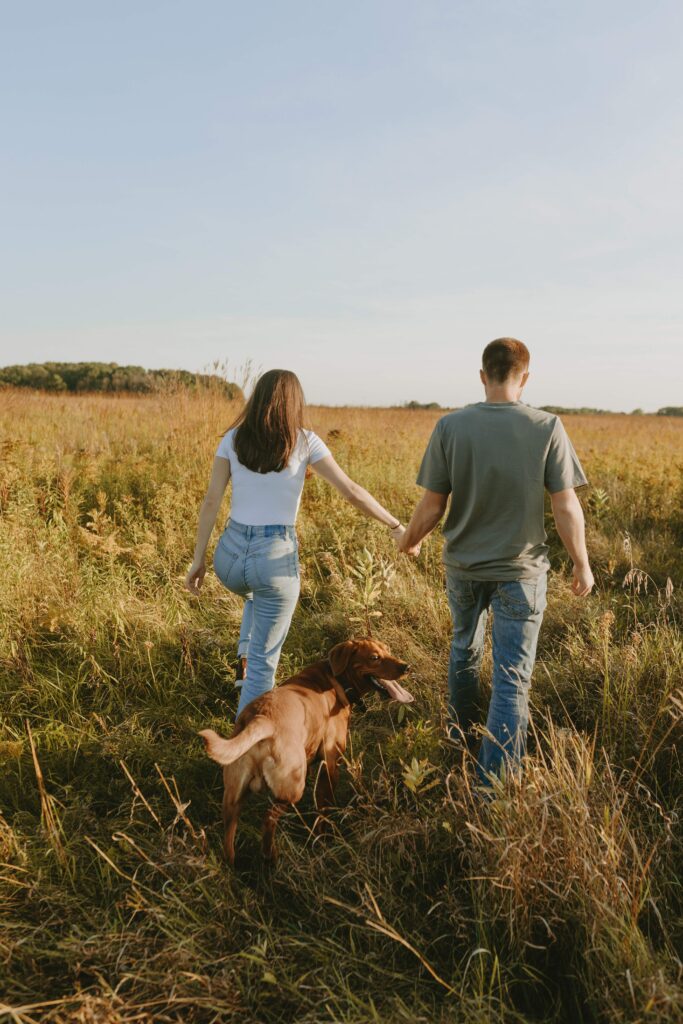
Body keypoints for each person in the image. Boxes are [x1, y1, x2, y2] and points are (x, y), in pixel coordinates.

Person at [397, 338, 593, 784]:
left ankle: (460, 744)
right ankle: (493, 791)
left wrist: (409, 540)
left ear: (483, 375)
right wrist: (582, 564)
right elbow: (565, 506)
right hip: (520, 574)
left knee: (464, 652)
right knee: (510, 678)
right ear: (524, 378)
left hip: (463, 570)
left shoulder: (450, 426)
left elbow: (431, 507)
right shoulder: (547, 426)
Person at [185, 369, 405, 718]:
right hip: (273, 560)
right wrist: (395, 525)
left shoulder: (232, 439)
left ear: (256, 400)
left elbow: (211, 501)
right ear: (294, 403)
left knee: (254, 593)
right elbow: (351, 492)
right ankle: (245, 741)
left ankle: (244, 657)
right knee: (263, 665)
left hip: (228, 560)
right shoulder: (306, 442)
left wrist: (198, 560)